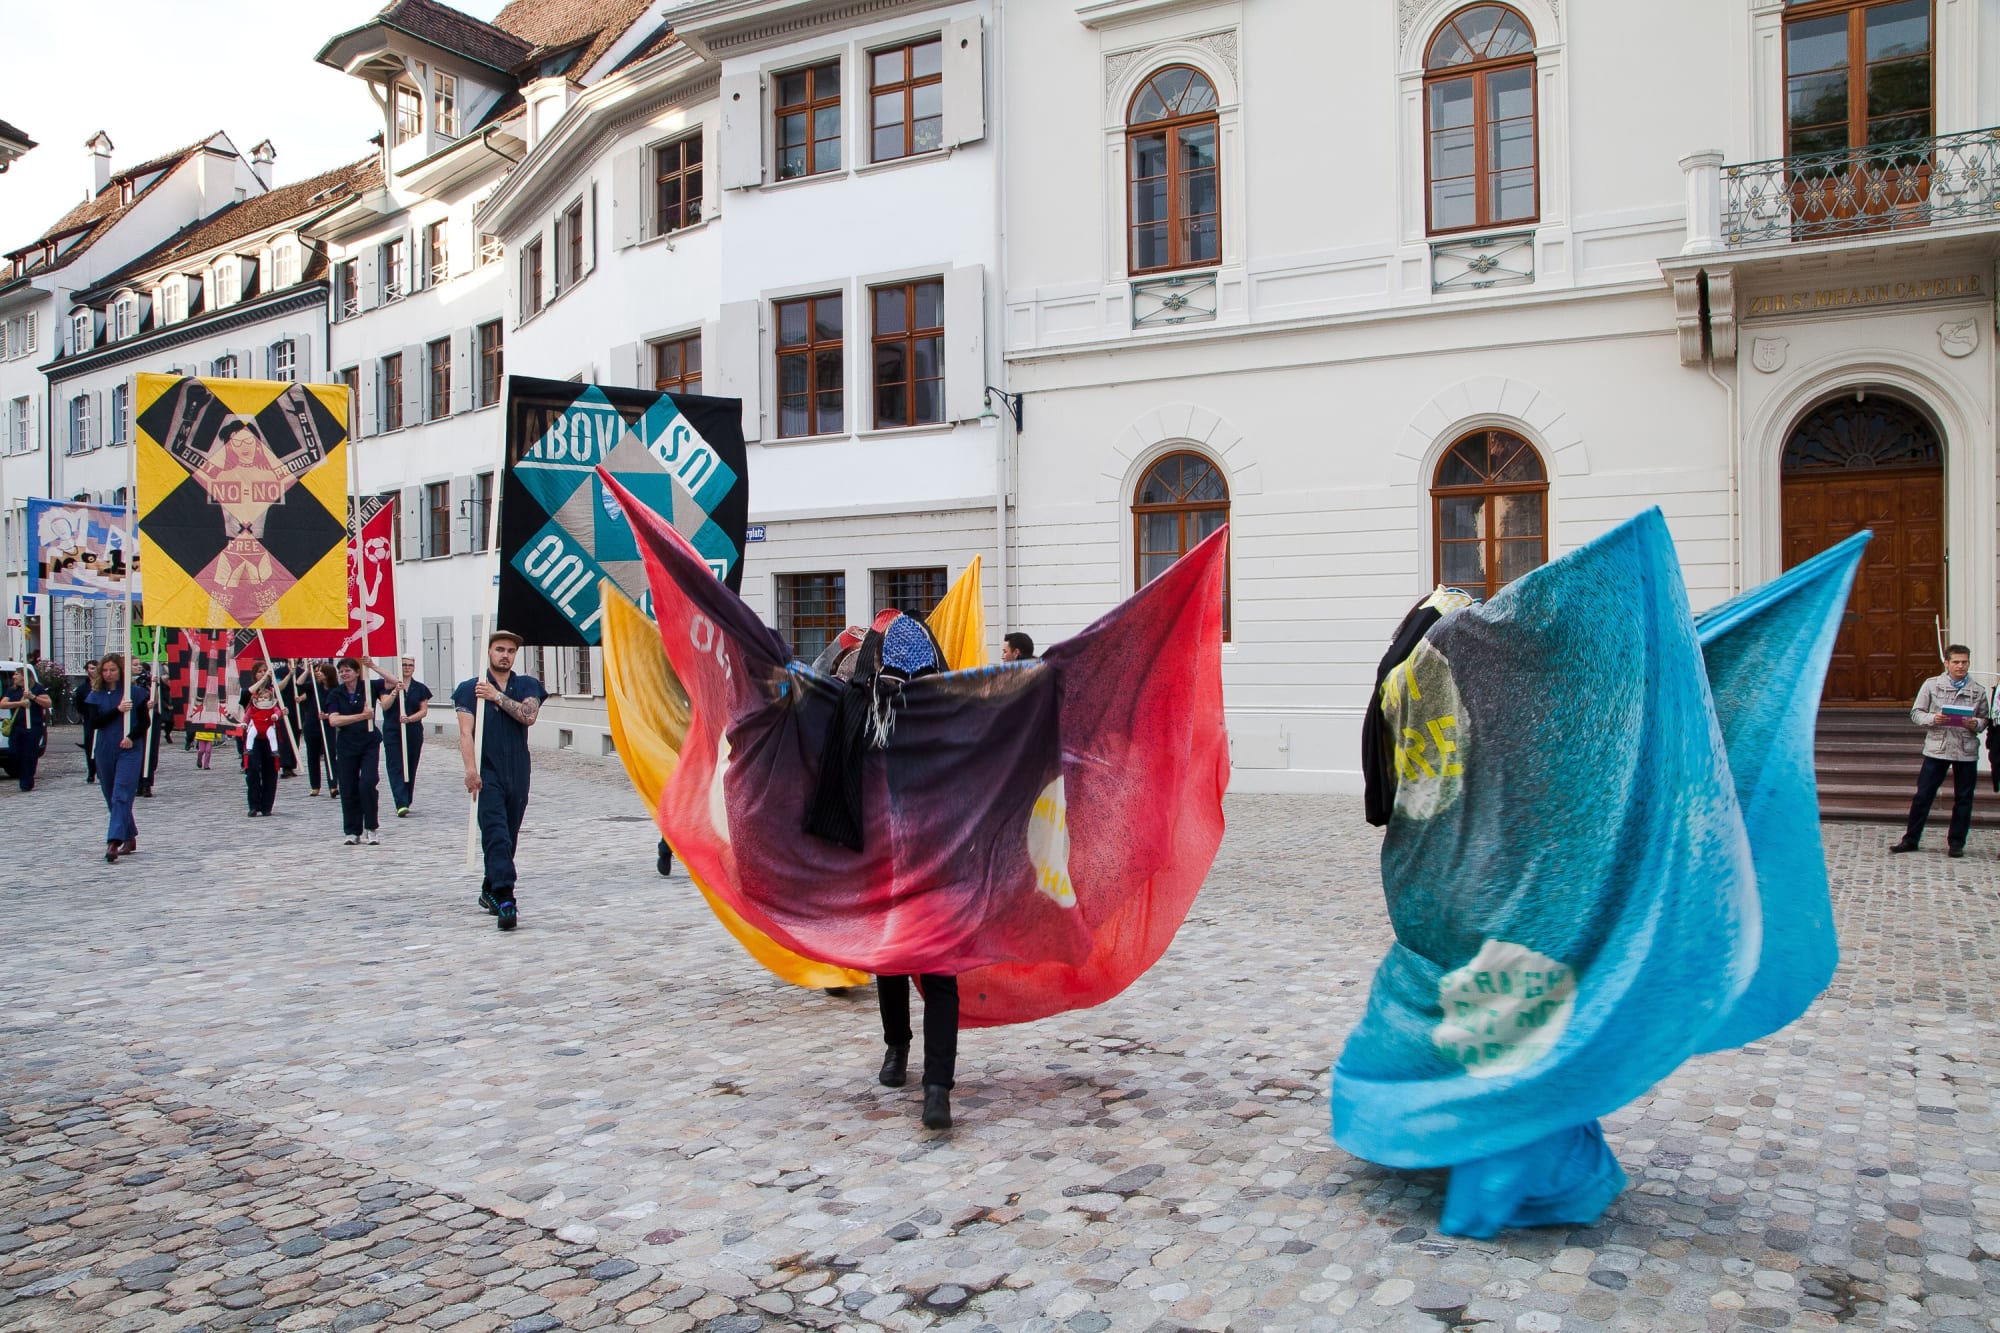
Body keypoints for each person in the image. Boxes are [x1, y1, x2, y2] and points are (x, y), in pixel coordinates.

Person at [454, 630, 546, 932]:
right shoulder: (471, 689)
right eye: (499, 649)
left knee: (510, 833)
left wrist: (497, 697)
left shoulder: (527, 685)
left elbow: (528, 715)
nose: (504, 655)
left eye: (510, 651)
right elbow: (466, 732)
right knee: (496, 834)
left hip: (518, 769)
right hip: (488, 770)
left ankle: (489, 888)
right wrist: (470, 770)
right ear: (488, 652)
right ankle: (506, 897)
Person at [1892, 644, 1990, 858]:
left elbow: (1985, 719)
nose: (1960, 666)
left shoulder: (1978, 690)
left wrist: (1976, 724)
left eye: (1964, 662)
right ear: (1946, 663)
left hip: (1965, 750)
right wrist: (1933, 719)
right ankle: (1911, 839)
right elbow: (1916, 713)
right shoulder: (1932, 685)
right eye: (1956, 662)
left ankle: (1956, 843)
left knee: (1964, 798)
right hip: (1938, 748)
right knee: (1923, 795)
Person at [79, 652, 147, 863]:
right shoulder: (95, 695)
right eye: (105, 670)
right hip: (105, 748)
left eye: (113, 670)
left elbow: (144, 722)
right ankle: (129, 834)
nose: (109, 674)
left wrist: (131, 737)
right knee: (110, 794)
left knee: (121, 794)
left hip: (129, 749)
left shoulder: (134, 693)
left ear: (120, 671)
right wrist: (118, 710)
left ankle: (113, 841)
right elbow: (95, 722)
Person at [324, 657, 382, 845]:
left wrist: (372, 665)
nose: (344, 674)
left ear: (357, 672)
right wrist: (361, 716)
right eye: (341, 671)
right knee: (348, 788)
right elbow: (334, 720)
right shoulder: (336, 694)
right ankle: (351, 830)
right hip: (347, 744)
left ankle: (371, 827)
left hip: (368, 742)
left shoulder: (368, 688)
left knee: (367, 784)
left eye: (348, 670)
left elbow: (393, 681)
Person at [376, 656, 432, 816]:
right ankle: (400, 801)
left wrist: (410, 719)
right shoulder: (388, 685)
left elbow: (424, 710)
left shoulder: (420, 688)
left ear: (414, 668)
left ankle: (406, 798)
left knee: (411, 765)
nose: (407, 668)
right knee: (395, 765)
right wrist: (395, 692)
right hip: (393, 731)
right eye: (404, 665)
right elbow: (385, 706)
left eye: (410, 665)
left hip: (413, 730)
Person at [239, 663, 285, 817]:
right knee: (252, 770)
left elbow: (282, 706)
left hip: (270, 735)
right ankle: (253, 804)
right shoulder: (250, 693)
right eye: (260, 672)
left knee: (270, 771)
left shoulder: (274, 692)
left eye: (265, 671)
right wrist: (265, 678)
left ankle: (267, 805)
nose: (263, 674)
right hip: (254, 736)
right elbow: (247, 695)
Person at [1, 665, 52, 791]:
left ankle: (26, 782)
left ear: (24, 677)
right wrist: (19, 703)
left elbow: (48, 702)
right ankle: (20, 771)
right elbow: (2, 704)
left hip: (33, 727)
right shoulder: (12, 690)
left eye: (16, 674)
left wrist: (33, 697)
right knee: (14, 753)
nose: (14, 677)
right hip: (17, 727)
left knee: (29, 755)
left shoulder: (37, 688)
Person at [78, 658, 102, 783]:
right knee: (89, 746)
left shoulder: (103, 685)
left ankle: (101, 770)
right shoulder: (82, 688)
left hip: (103, 718)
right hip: (89, 720)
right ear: (87, 670)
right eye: (92, 668)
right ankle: (91, 771)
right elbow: (79, 705)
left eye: (96, 668)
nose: (94, 671)